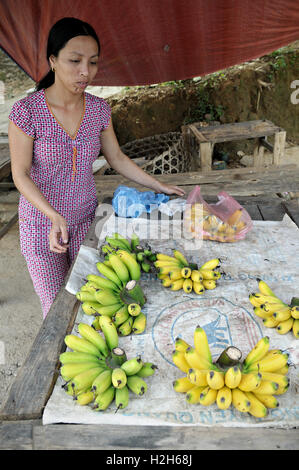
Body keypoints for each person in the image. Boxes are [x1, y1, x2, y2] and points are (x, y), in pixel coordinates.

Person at [8, 17, 186, 319]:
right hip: (42, 227)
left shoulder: (99, 110)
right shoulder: (27, 111)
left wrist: (158, 185)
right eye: (75, 61)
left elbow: (116, 158)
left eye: (92, 62)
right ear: (53, 60)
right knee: (56, 310)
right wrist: (53, 215)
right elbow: (20, 174)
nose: (85, 72)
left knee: (93, 300)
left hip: (88, 222)